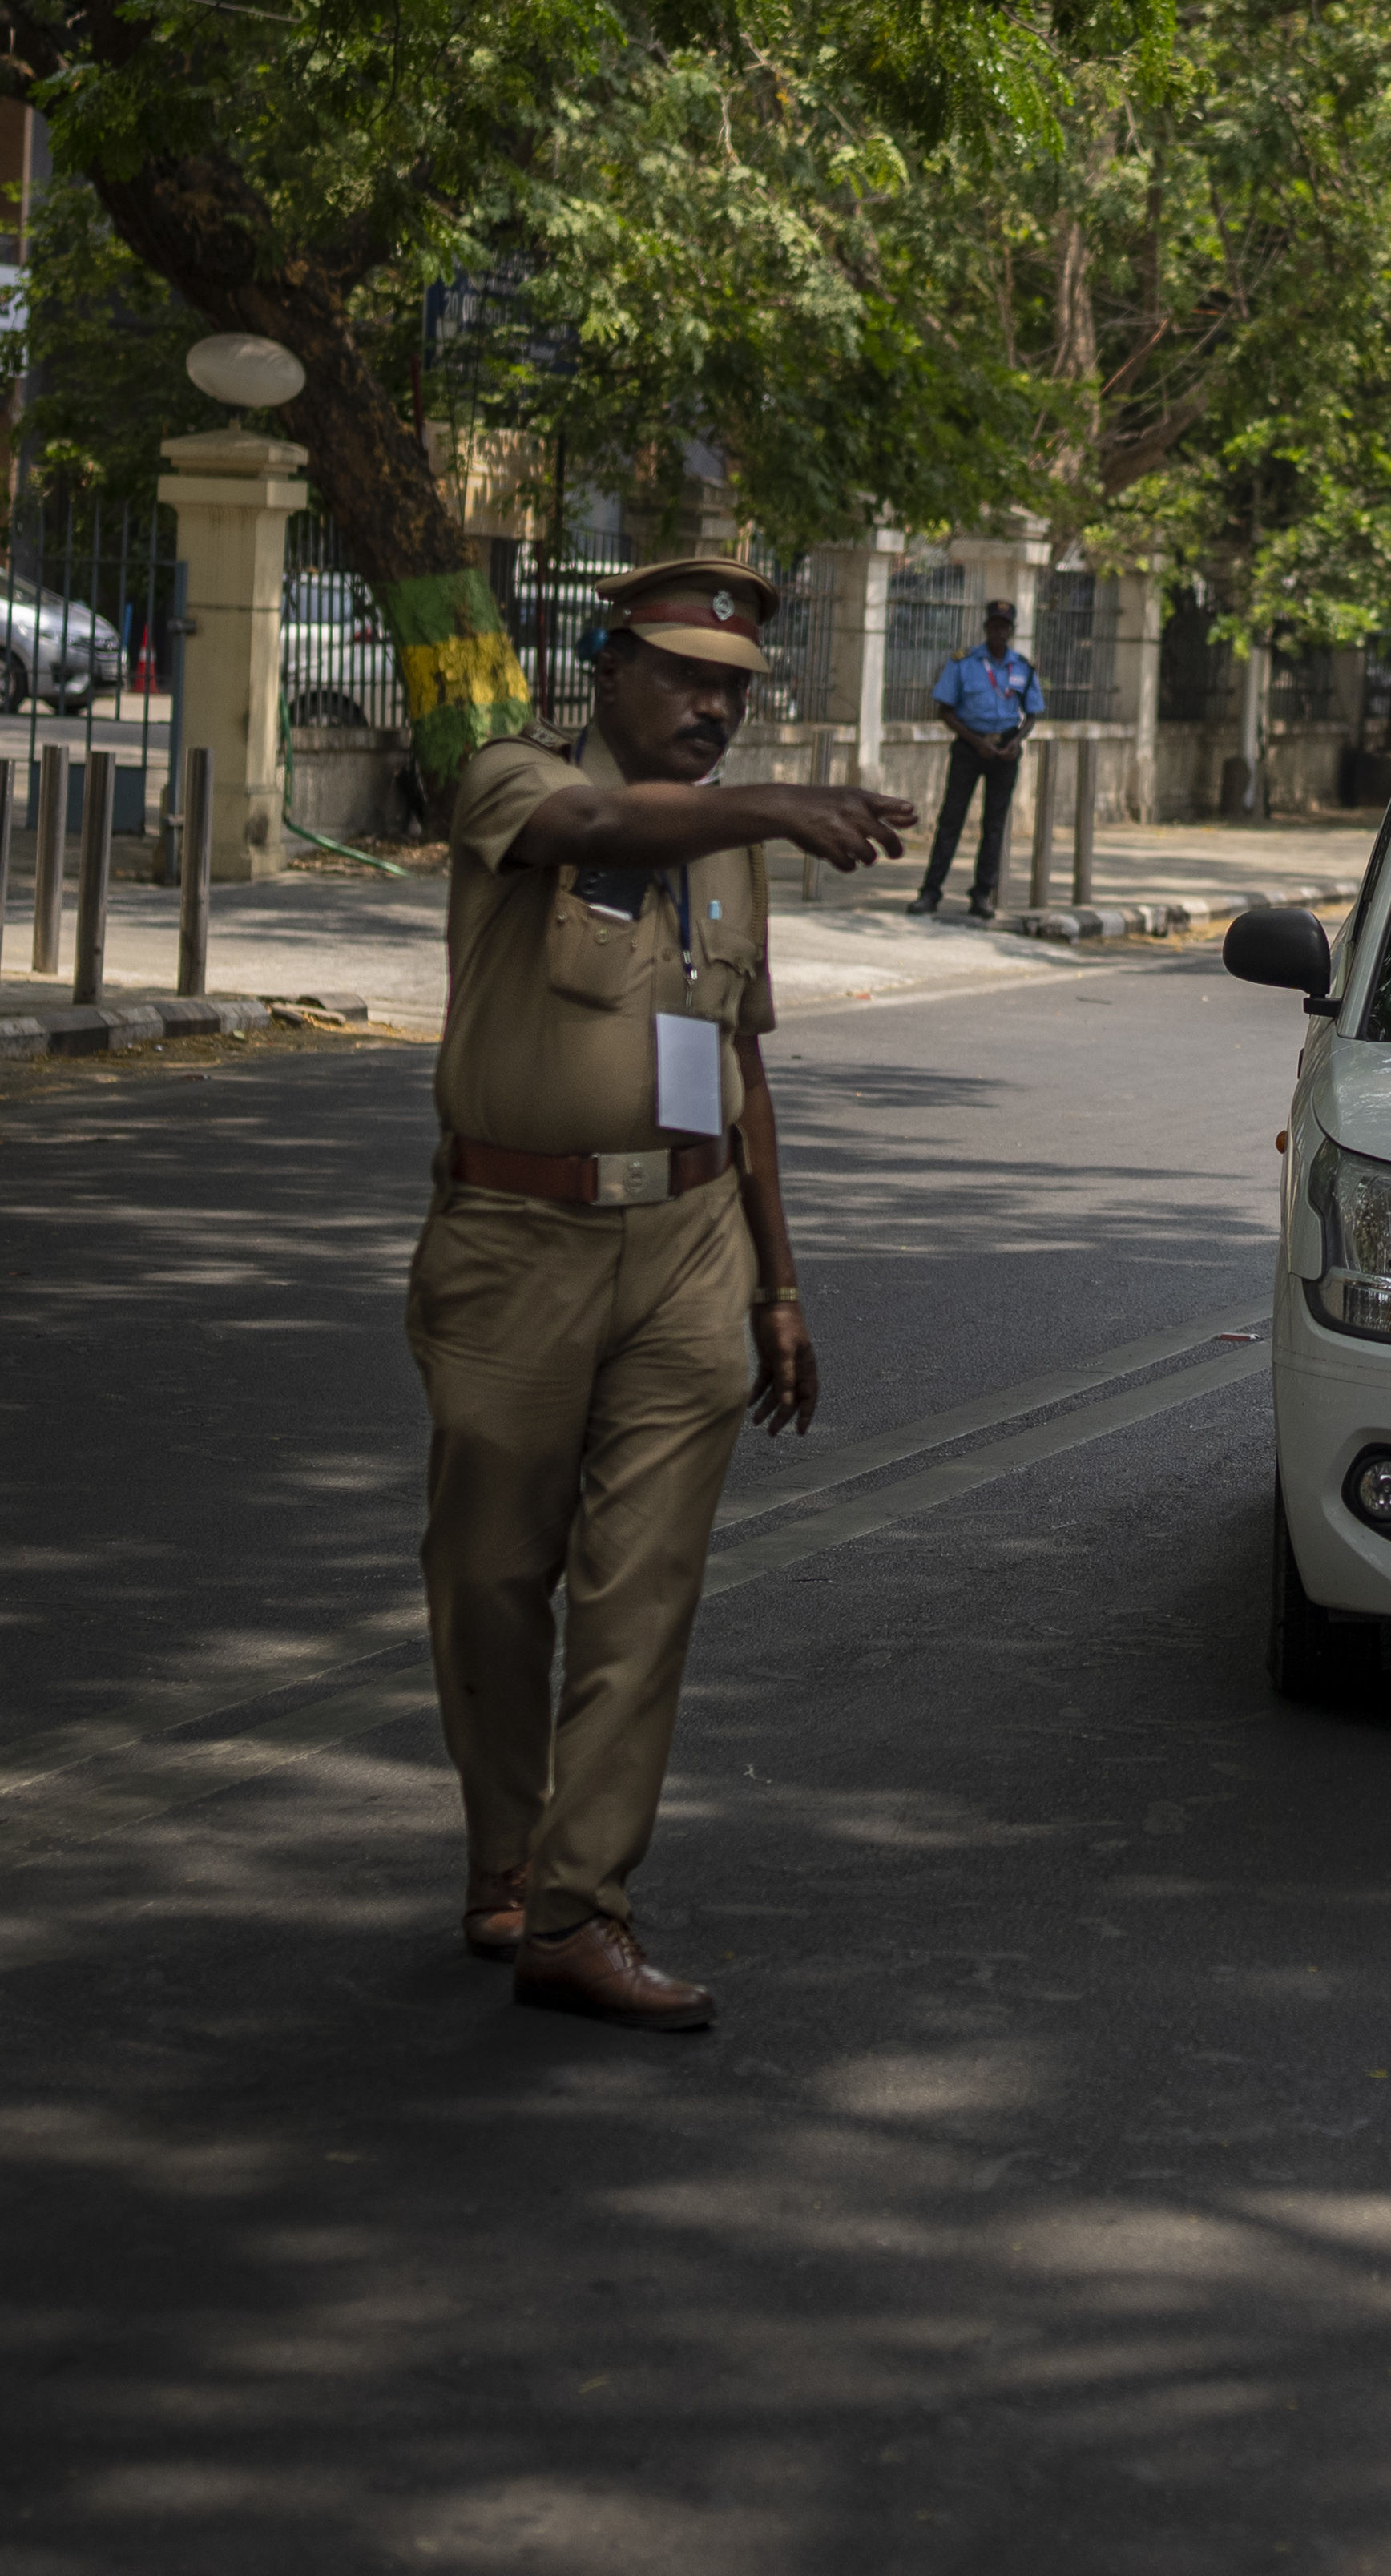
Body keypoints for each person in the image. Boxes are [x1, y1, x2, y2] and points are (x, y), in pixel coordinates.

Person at [415, 562, 917, 2031]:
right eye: (688, 679)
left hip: (689, 1243)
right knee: (491, 1578)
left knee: (643, 1591)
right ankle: (505, 1859)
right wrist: (770, 800)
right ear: (608, 669)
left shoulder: (728, 845)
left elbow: (736, 1065)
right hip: (515, 1238)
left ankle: (579, 1909)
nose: (715, 709)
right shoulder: (512, 778)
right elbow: (589, 826)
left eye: (738, 692)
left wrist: (780, 1281)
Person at [911, 596, 1042, 919]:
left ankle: (982, 894)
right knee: (951, 820)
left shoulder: (1022, 667)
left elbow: (1033, 713)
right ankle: (930, 892)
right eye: (994, 626)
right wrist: (975, 741)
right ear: (986, 628)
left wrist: (1017, 741)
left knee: (994, 826)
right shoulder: (964, 662)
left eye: (1004, 628)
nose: (999, 633)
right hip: (970, 746)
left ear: (1011, 631)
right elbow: (945, 710)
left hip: (1006, 749)